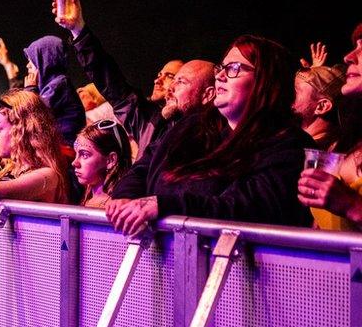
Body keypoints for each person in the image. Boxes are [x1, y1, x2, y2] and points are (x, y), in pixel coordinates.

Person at [107, 35, 314, 236]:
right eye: (221, 68)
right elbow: (145, 165)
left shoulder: (288, 145)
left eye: (234, 68)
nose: (220, 76)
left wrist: (165, 205)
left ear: (266, 82)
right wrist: (125, 196)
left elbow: (246, 208)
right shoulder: (192, 126)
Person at [53, 0, 189, 156]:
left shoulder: (199, 134)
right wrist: (78, 30)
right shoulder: (147, 119)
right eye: (159, 75)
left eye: (170, 76)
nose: (157, 80)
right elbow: (110, 81)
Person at [298, 24, 362, 230]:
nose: (349, 57)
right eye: (355, 46)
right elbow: (320, 225)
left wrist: (352, 205)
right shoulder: (346, 142)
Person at [73, 120, 133, 207]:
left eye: (85, 155)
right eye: (76, 154)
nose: (74, 163)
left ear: (110, 160)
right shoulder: (87, 199)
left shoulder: (115, 208)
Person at [291, 65, 346, 151]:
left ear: (322, 106)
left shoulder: (310, 154)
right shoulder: (295, 140)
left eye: (295, 91)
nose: (288, 95)